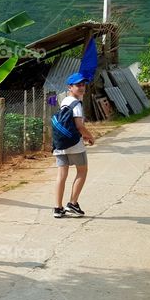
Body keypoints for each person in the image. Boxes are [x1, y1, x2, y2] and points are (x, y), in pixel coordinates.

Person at [53, 73, 95, 218]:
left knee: (61, 175)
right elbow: (79, 126)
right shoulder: (76, 104)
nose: (82, 87)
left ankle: (58, 208)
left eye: (83, 84)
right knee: (82, 171)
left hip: (60, 143)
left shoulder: (65, 101)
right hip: (75, 145)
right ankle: (72, 203)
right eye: (78, 85)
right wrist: (90, 136)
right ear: (70, 87)